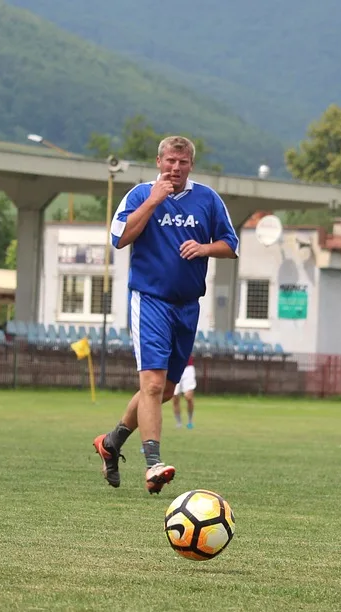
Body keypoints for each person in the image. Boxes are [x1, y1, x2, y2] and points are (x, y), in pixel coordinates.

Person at [92, 136, 239, 494]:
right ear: (158, 161)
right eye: (170, 161)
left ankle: (111, 443)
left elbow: (231, 245)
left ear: (191, 164)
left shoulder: (208, 199)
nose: (176, 168)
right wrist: (154, 201)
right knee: (153, 384)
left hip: (188, 305)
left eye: (183, 162)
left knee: (166, 390)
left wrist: (205, 247)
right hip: (150, 300)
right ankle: (153, 464)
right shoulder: (140, 195)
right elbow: (120, 237)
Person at [173, 354, 197, 429]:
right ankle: (179, 422)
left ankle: (190, 421)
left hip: (188, 368)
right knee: (175, 397)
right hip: (174, 367)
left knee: (188, 397)